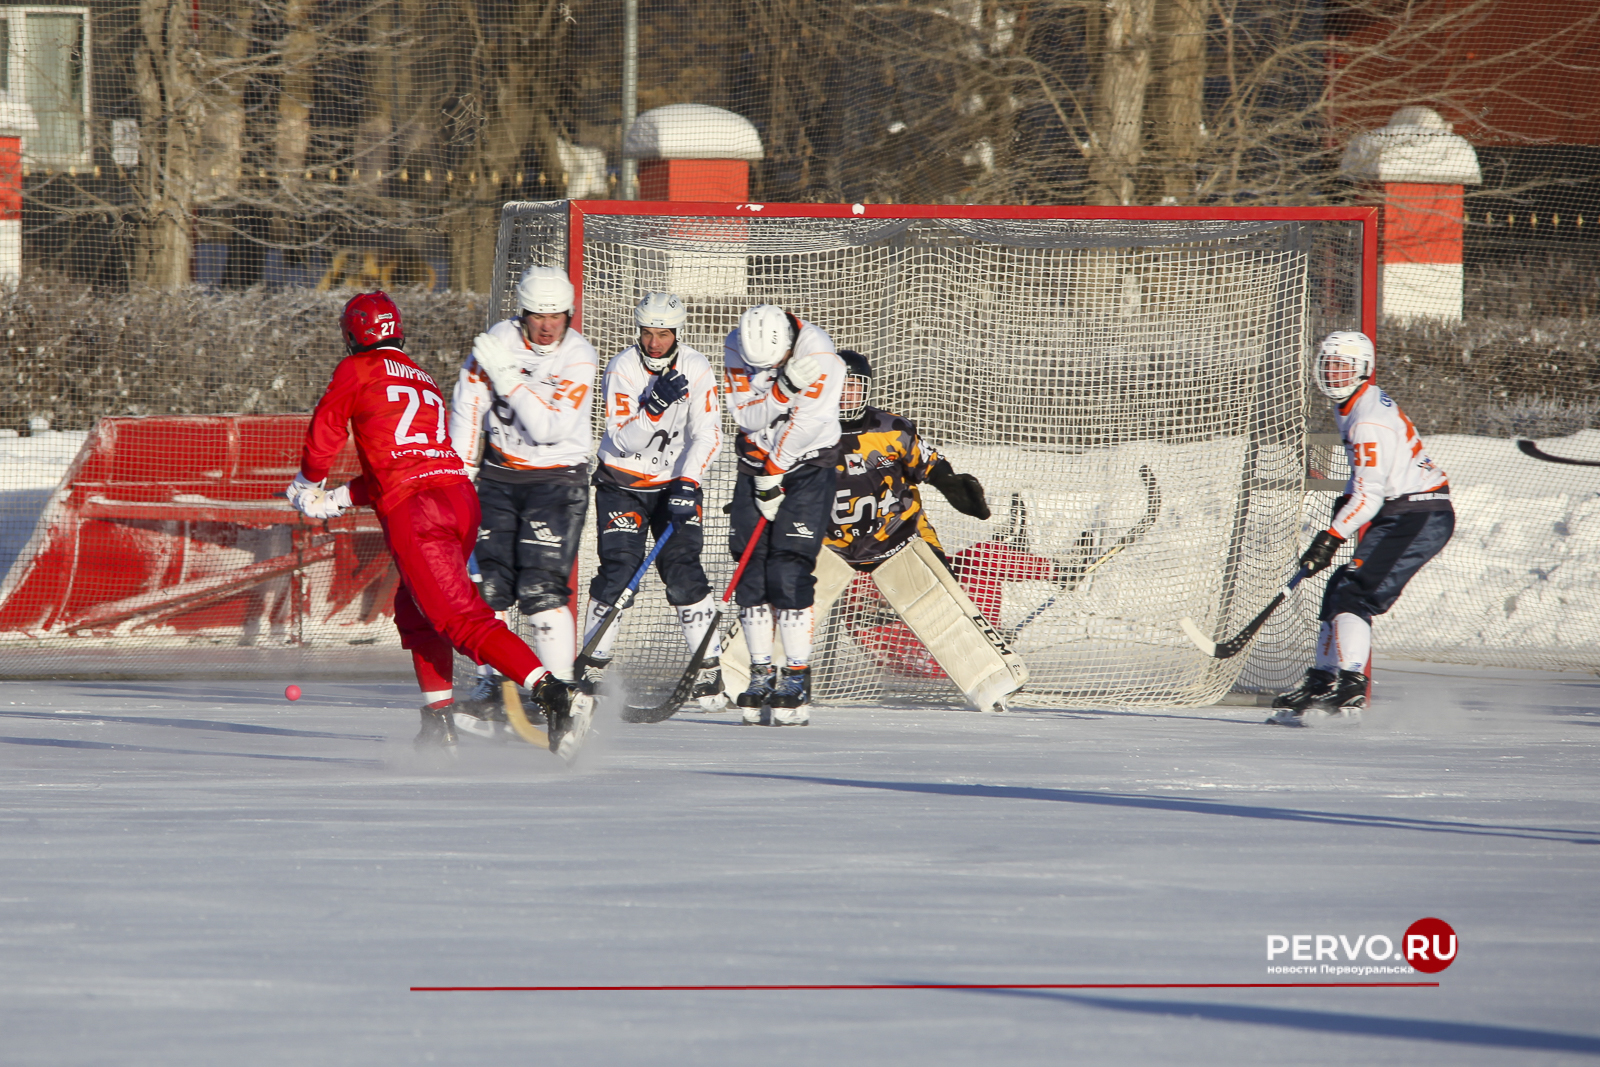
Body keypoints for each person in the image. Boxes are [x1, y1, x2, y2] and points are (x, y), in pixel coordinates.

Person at [285, 291, 591, 752]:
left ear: (352, 337)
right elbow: (407, 460)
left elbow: (326, 429)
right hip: (457, 497)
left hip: (419, 510)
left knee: (460, 620)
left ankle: (555, 692)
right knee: (416, 609)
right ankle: (438, 718)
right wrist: (340, 499)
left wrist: (307, 483)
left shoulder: (357, 369)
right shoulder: (420, 376)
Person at [1270, 330, 1454, 724]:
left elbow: (1369, 494)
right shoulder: (1351, 406)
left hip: (1419, 515)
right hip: (1401, 512)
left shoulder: (1368, 420)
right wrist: (1340, 518)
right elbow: (1365, 483)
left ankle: (1351, 687)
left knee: (1355, 592)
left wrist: (1331, 536)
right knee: (1341, 586)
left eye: (1343, 366)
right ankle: (1321, 681)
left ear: (1363, 371)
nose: (1333, 372)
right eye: (1329, 364)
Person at [448, 265, 598, 710]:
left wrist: (508, 377)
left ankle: (563, 695)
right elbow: (467, 404)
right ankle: (491, 682)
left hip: (557, 480)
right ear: (522, 312)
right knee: (488, 587)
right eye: (537, 315)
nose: (547, 325)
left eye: (556, 316)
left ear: (569, 314)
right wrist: (459, 473)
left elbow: (549, 427)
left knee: (540, 590)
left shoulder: (578, 355)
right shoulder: (499, 341)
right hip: (498, 476)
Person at [578, 292, 725, 707]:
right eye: (648, 333)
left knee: (683, 569)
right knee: (619, 570)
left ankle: (708, 669)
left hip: (674, 485)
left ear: (678, 333)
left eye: (664, 334)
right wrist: (655, 408)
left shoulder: (696, 367)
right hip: (623, 483)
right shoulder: (622, 367)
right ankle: (593, 667)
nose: (655, 343)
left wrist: (687, 482)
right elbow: (623, 440)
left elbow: (708, 434)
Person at [723, 304, 846, 726]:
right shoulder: (736, 346)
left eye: (774, 366)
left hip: (807, 465)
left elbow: (806, 424)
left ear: (789, 345)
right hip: (756, 462)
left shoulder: (822, 357)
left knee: (788, 569)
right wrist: (780, 392)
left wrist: (773, 473)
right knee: (750, 568)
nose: (765, 369)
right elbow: (744, 415)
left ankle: (795, 676)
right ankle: (760, 673)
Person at [826, 348, 990, 572]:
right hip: (828, 550)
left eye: (852, 386)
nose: (845, 394)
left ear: (865, 388)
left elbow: (928, 463)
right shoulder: (803, 433)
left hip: (900, 540)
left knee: (942, 605)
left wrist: (947, 480)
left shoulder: (891, 429)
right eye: (838, 385)